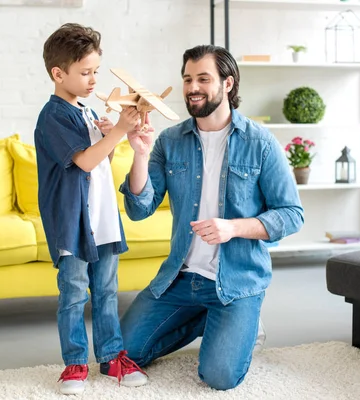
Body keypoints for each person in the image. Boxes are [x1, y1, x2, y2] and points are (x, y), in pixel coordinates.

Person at [119, 44, 304, 390]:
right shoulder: (169, 141)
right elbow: (138, 208)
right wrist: (140, 155)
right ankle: (211, 320)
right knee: (117, 355)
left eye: (203, 78)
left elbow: (292, 214)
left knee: (219, 377)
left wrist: (232, 228)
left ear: (228, 84)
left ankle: (242, 320)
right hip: (179, 279)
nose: (192, 87)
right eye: (187, 79)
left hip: (235, 283)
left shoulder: (261, 143)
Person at [34, 23, 148, 395]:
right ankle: (75, 363)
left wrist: (108, 136)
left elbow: (100, 161)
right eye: (85, 72)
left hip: (101, 219)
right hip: (73, 222)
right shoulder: (54, 116)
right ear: (58, 73)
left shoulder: (83, 112)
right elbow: (81, 163)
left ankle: (111, 356)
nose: (93, 79)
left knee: (107, 291)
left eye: (96, 71)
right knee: (73, 293)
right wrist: (115, 131)